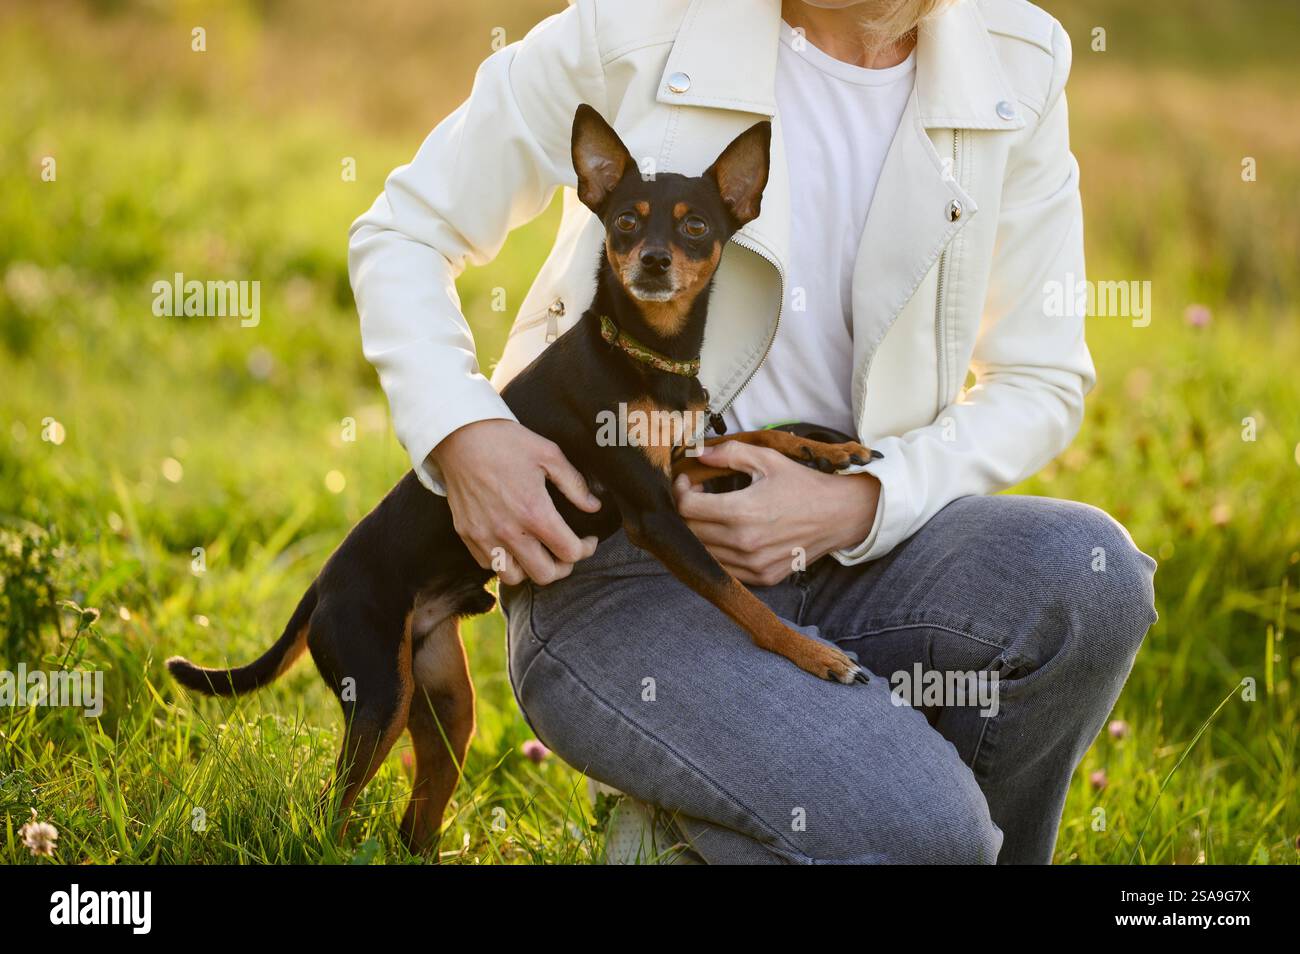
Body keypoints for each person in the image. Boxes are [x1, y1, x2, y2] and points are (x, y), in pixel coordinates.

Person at [348, 0, 1157, 863]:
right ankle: (789, 815)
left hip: (866, 550)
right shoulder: (636, 22)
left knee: (1091, 580)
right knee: (928, 834)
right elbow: (405, 229)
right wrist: (465, 431)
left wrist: (859, 503)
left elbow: (1040, 377)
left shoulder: (1019, 56)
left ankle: (797, 812)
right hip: (617, 563)